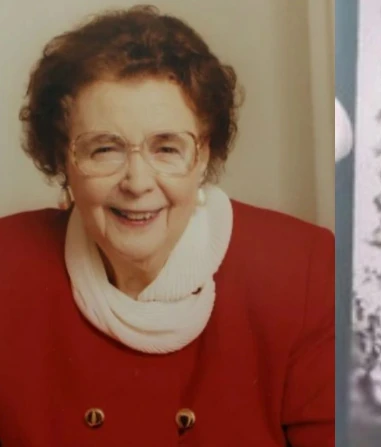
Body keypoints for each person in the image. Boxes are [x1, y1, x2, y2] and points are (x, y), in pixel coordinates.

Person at [0, 6, 334, 446]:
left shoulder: (304, 269)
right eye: (104, 149)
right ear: (63, 161)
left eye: (167, 148)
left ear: (202, 158)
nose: (138, 183)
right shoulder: (9, 265)